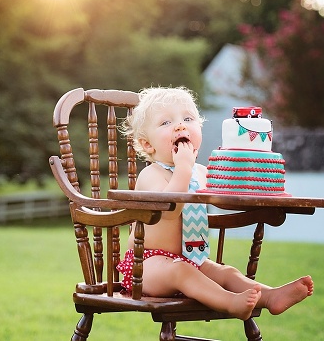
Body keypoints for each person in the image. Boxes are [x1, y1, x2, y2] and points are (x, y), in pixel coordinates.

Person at [116, 86, 313, 320]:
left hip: (191, 257)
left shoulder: (202, 172)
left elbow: (230, 195)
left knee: (226, 272)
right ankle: (231, 303)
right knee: (181, 271)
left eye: (188, 119)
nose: (180, 125)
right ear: (148, 145)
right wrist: (183, 169)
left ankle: (270, 297)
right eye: (166, 123)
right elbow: (169, 212)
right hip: (146, 265)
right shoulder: (152, 175)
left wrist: (259, 187)